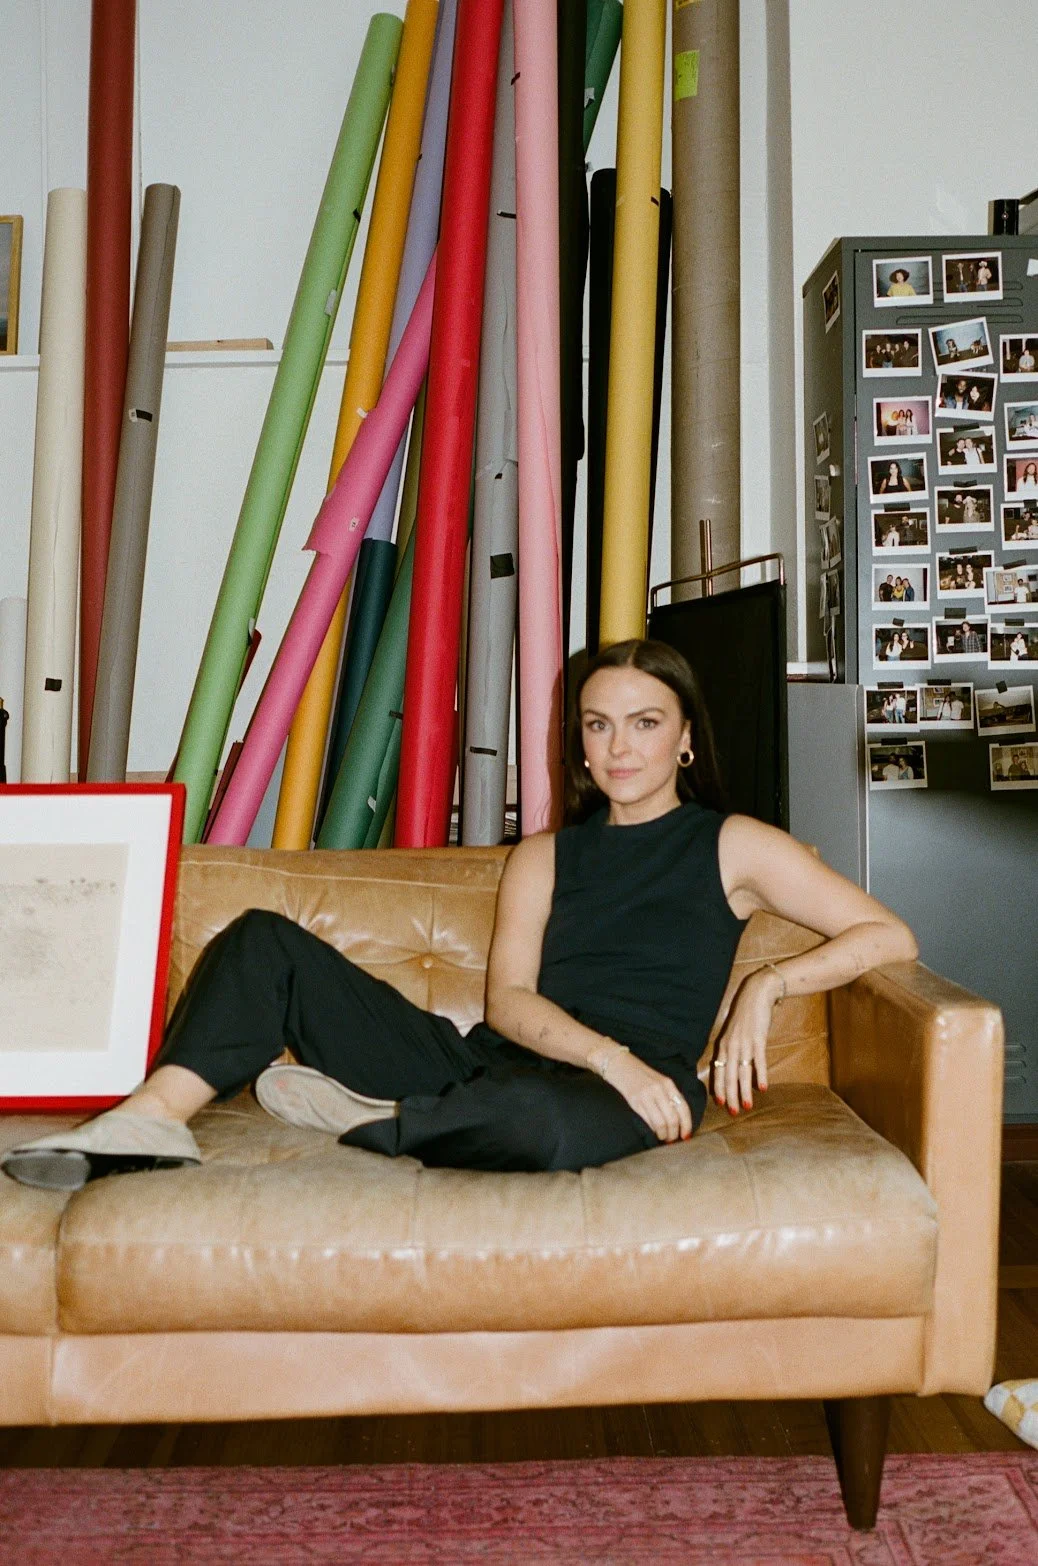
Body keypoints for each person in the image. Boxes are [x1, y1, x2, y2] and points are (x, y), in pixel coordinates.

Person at [0, 640, 919, 1192]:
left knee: (538, 1127)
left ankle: (372, 1119)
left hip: (634, 1089)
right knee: (261, 941)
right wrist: (603, 1052)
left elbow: (889, 935)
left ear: (685, 738)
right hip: (514, 1058)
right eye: (598, 725)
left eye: (644, 722)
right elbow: (512, 1004)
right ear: (580, 746)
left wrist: (766, 984)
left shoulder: (735, 845)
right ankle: (152, 1121)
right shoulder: (546, 854)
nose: (618, 745)